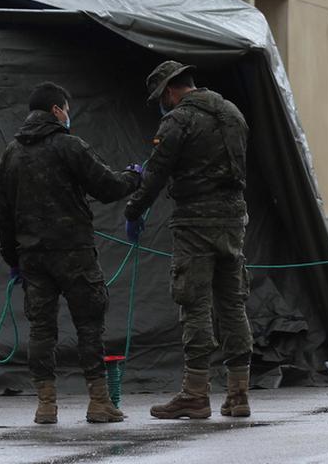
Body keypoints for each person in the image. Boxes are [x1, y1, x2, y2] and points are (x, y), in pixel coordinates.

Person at [0, 81, 142, 425]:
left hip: (32, 258)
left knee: (41, 330)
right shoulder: (69, 146)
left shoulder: (10, 153)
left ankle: (45, 405)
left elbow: (0, 212)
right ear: (57, 111)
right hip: (75, 253)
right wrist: (135, 176)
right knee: (89, 325)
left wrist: (13, 260)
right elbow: (107, 187)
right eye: (67, 111)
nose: (68, 117)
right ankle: (99, 402)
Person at [124, 61, 253, 420]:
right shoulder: (233, 113)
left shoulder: (177, 121)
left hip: (195, 222)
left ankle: (195, 393)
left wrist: (133, 212)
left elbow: (155, 174)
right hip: (233, 219)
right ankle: (238, 393)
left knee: (194, 303)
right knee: (233, 304)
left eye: (160, 98)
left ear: (169, 91)